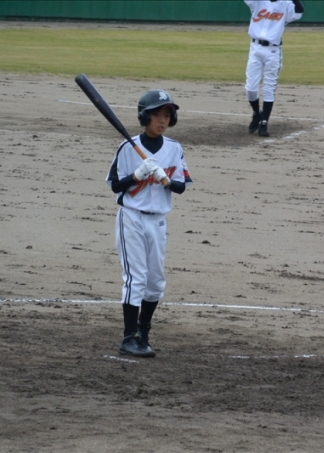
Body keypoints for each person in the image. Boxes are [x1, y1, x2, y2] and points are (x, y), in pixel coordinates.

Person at [106, 89, 193, 357]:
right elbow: (115, 186)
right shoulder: (127, 148)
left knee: (155, 283)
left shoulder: (174, 149)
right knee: (136, 278)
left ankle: (143, 332)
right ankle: (129, 337)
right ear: (145, 117)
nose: (162, 120)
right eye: (157, 114)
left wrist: (165, 179)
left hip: (158, 222)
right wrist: (138, 174)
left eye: (167, 115)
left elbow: (181, 187)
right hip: (131, 218)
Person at [244, 0, 304, 137]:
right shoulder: (258, 2)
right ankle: (257, 113)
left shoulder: (286, 4)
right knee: (250, 89)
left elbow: (300, 11)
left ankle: (264, 123)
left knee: (269, 88)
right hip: (255, 49)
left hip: (273, 51)